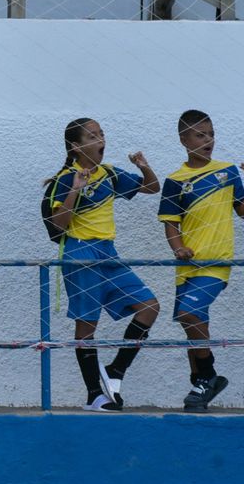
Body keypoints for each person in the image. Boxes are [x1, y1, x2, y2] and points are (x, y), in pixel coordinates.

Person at [43, 118, 161, 412]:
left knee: (149, 307)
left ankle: (115, 371)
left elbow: (152, 187)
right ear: (76, 147)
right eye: (92, 136)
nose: (100, 140)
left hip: (108, 252)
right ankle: (94, 394)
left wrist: (143, 165)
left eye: (101, 134)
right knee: (87, 325)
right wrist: (76, 190)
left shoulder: (108, 173)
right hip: (80, 252)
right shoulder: (66, 178)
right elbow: (59, 223)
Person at [156, 110, 244, 412]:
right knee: (192, 326)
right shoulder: (175, 180)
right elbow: (170, 222)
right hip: (187, 267)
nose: (208, 140)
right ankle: (199, 387)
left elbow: (242, 211)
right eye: (200, 135)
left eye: (211, 134)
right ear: (183, 140)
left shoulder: (227, 171)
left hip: (216, 263)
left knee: (190, 314)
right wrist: (178, 248)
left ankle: (208, 376)